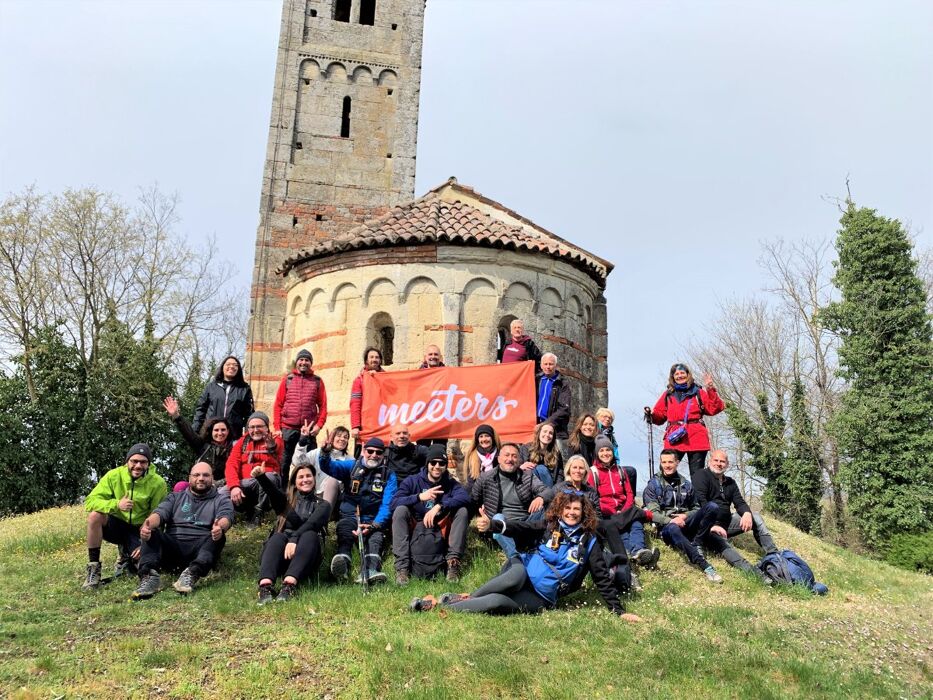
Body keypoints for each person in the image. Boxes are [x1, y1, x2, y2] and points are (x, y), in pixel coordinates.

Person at [410, 490, 640, 621]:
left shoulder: (589, 542)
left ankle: (443, 606)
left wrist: (619, 612)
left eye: (576, 509)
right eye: (567, 508)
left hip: (542, 595)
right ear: (560, 510)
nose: (571, 512)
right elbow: (521, 528)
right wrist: (493, 525)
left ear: (583, 513)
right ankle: (463, 598)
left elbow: (600, 576)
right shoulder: (549, 526)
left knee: (497, 603)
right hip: (523, 569)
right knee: (514, 578)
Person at [132, 461, 234, 599]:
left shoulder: (221, 499)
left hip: (200, 549)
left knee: (218, 536)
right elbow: (159, 514)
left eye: (206, 475)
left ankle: (191, 574)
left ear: (212, 478)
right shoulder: (175, 497)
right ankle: (149, 577)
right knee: (153, 532)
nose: (201, 478)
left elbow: (226, 517)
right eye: (196, 475)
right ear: (189, 478)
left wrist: (220, 527)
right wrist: (148, 525)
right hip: (172, 547)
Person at [82, 443, 168, 590]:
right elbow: (90, 501)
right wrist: (116, 504)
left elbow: (158, 514)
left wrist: (145, 543)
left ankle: (127, 557)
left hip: (139, 529)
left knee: (145, 564)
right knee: (94, 516)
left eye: (143, 462)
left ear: (149, 464)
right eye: (134, 461)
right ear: (127, 461)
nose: (138, 466)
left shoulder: (158, 483)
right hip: (117, 525)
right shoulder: (113, 476)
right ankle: (93, 569)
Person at [318, 434, 398, 584]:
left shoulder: (389, 475)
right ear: (363, 451)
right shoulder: (351, 466)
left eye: (379, 452)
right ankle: (343, 566)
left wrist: (374, 525)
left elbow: (387, 505)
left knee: (375, 540)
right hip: (349, 516)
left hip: (373, 520)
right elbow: (329, 467)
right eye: (370, 451)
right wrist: (324, 453)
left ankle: (371, 571)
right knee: (345, 535)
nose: (374, 455)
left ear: (383, 455)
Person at [390, 444, 470, 585]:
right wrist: (419, 497)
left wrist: (440, 506)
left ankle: (453, 564)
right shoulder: (412, 481)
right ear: (427, 464)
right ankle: (402, 568)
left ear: (446, 465)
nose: (437, 466)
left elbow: (465, 498)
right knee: (400, 510)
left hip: (440, 526)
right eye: (433, 462)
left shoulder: (451, 483)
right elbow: (394, 502)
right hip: (416, 525)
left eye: (442, 463)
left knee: (462, 511)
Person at [693, 450, 779, 581]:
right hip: (706, 527)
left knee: (755, 517)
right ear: (710, 461)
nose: (719, 464)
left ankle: (774, 555)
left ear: (727, 464)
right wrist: (712, 525)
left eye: (722, 461)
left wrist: (746, 513)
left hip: (726, 524)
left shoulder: (730, 482)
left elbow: (739, 502)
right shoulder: (701, 475)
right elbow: (701, 502)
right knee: (723, 544)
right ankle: (755, 574)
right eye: (716, 460)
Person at [253, 463, 332, 604]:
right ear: (295, 482)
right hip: (281, 556)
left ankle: (288, 586)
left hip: (307, 555)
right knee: (277, 536)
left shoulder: (323, 505)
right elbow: (274, 493)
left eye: (308, 476)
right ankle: (265, 587)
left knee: (310, 534)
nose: (305, 479)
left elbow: (311, 524)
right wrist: (261, 477)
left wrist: (294, 539)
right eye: (300, 477)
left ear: (314, 479)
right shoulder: (286, 502)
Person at [642, 449, 723, 583]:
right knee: (673, 528)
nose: (667, 465)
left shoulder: (686, 484)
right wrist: (671, 520)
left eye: (670, 462)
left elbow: (696, 508)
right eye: (664, 462)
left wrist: (684, 516)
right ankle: (704, 565)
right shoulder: (653, 485)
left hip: (686, 522)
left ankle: (697, 543)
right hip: (667, 528)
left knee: (712, 507)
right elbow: (653, 513)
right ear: (661, 463)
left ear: (677, 463)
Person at [588, 435, 659, 568]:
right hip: (607, 513)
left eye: (608, 450)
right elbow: (593, 498)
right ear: (597, 453)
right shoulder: (593, 473)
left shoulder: (620, 471)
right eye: (601, 450)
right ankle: (639, 552)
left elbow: (629, 493)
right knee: (632, 519)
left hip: (623, 510)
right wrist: (613, 511)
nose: (605, 453)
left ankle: (638, 552)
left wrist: (624, 509)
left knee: (635, 523)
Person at [645, 363, 725, 477]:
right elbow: (660, 416)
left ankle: (698, 495)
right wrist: (651, 415)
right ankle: (666, 494)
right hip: (674, 436)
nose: (679, 376)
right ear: (673, 377)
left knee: (697, 474)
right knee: (666, 469)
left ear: (688, 375)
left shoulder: (698, 392)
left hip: (696, 436)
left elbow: (714, 408)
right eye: (676, 374)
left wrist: (710, 389)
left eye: (682, 373)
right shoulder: (668, 394)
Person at [470, 443, 548, 558]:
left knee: (547, 507)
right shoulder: (486, 477)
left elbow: (546, 490)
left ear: (519, 460)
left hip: (525, 524)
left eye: (514, 456)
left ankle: (542, 547)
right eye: (506, 455)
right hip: (502, 527)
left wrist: (541, 497)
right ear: (499, 458)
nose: (510, 459)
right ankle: (516, 557)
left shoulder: (527, 476)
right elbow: (473, 500)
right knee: (497, 518)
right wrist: (482, 517)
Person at [272, 348, 327, 479]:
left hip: (308, 430)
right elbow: (278, 405)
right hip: (288, 429)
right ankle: (284, 494)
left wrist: (318, 426)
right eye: (301, 360)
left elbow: (323, 406)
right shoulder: (288, 379)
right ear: (297, 362)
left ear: (311, 363)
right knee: (284, 464)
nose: (303, 362)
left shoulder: (317, 381)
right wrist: (277, 428)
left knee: (308, 464)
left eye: (307, 360)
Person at [224, 411, 284, 526]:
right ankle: (226, 517)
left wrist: (272, 447)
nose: (255, 430)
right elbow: (231, 464)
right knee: (221, 493)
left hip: (267, 482)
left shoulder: (275, 439)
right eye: (252, 427)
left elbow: (278, 450)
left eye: (259, 426)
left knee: (268, 477)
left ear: (267, 427)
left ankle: (258, 514)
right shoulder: (243, 441)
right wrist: (234, 486)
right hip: (245, 483)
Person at [163, 396, 234, 482]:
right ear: (211, 432)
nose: (220, 433)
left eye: (223, 430)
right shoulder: (203, 446)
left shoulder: (233, 449)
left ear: (228, 431)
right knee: (180, 486)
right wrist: (177, 416)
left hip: (223, 487)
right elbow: (189, 433)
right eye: (216, 430)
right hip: (200, 484)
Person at [192, 355, 254, 438]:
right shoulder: (211, 387)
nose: (231, 366)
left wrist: (248, 437)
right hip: (211, 434)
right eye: (228, 364)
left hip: (233, 435)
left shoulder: (244, 389)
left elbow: (248, 415)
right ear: (222, 367)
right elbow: (201, 410)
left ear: (238, 369)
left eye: (235, 365)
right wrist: (194, 432)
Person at [290, 421, 347, 509]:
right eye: (339, 436)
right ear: (331, 438)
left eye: (346, 437)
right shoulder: (317, 452)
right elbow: (299, 463)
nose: (342, 439)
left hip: (336, 498)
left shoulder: (350, 459)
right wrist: (302, 442)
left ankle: (325, 515)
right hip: (315, 494)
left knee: (332, 481)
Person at [349, 347, 385, 450]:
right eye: (371, 357)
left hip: (382, 425)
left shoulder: (387, 378)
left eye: (377, 357)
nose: (374, 359)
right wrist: (355, 426)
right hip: (365, 427)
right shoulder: (359, 380)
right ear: (366, 360)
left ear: (380, 360)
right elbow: (355, 404)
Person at [534, 353, 571, 450]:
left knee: (556, 459)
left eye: (551, 364)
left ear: (556, 365)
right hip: (535, 427)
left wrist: (546, 423)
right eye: (545, 364)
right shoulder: (536, 380)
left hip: (556, 431)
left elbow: (564, 409)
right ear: (541, 365)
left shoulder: (562, 383)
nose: (548, 367)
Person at [417, 344, 449, 447]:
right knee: (422, 449)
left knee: (439, 449)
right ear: (425, 358)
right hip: (423, 418)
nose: (433, 357)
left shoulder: (449, 374)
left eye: (436, 354)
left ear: (440, 357)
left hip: (441, 418)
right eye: (430, 354)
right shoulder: (417, 375)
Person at [520, 421, 564, 487]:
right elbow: (518, 466)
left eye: (550, 433)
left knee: (541, 468)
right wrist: (520, 467)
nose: (547, 435)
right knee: (539, 468)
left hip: (549, 487)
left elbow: (560, 474)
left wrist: (556, 490)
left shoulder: (556, 453)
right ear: (539, 433)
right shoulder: (526, 448)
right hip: (529, 484)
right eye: (545, 431)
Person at [463, 423, 500, 488]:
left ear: (493, 438)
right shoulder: (471, 456)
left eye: (487, 436)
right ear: (477, 439)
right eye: (481, 436)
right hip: (477, 493)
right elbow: (471, 483)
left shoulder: (500, 455)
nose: (484, 439)